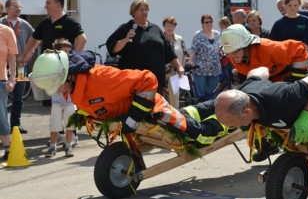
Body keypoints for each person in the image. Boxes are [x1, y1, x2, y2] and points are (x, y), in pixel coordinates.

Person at [29, 50, 233, 148]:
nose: (57, 92)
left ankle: (230, 121)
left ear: (67, 76)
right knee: (190, 116)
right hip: (145, 116)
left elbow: (147, 80)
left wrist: (133, 118)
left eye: (57, 87)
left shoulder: (102, 79)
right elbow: (95, 104)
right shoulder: (75, 87)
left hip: (156, 113)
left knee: (199, 138)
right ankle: (214, 107)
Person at [215, 67, 308, 155]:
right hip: (301, 108)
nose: (231, 127)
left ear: (247, 112)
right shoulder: (244, 92)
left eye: (232, 124)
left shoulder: (283, 99)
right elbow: (260, 70)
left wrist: (306, 116)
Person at [17, 0, 87, 108]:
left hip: (62, 70)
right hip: (49, 69)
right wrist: (24, 56)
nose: (45, 6)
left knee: (67, 102)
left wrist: (73, 59)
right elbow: (33, 39)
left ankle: (67, 125)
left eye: (48, 3)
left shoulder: (69, 21)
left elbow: (82, 39)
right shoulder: (45, 22)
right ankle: (56, 126)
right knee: (51, 103)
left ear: (58, 5)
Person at [106, 0, 184, 95]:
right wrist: (125, 39)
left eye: (146, 10)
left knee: (156, 109)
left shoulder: (155, 29)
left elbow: (169, 51)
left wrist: (179, 67)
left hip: (156, 81)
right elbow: (112, 48)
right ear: (133, 12)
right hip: (134, 82)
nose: (144, 12)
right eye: (141, 10)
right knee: (136, 109)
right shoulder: (125, 28)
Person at [221, 24, 308, 83]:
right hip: (270, 82)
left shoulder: (266, 48)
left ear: (246, 46)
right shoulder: (232, 53)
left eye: (236, 50)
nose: (233, 55)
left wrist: (298, 81)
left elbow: (299, 49)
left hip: (288, 76)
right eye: (230, 52)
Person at [0, 0, 34, 134]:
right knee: (2, 98)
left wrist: (30, 51)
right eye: (15, 7)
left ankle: (16, 125)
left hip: (19, 65)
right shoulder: (2, 23)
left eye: (20, 7)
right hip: (3, 65)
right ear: (7, 9)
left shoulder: (25, 24)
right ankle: (3, 127)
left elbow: (36, 38)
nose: (19, 9)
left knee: (18, 96)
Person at [270, 0, 308, 74]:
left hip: (302, 59)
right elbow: (272, 43)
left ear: (299, 6)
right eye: (289, 5)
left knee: (302, 84)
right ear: (285, 6)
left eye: (295, 5)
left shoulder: (306, 21)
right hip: (284, 60)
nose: (292, 8)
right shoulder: (279, 23)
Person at [45, 39, 76, 157]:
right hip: (57, 101)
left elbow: (76, 81)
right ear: (57, 52)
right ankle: (52, 147)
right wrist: (58, 87)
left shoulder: (73, 65)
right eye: (64, 51)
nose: (68, 54)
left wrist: (71, 85)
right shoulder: (52, 66)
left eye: (69, 51)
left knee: (70, 124)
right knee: (55, 124)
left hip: (70, 101)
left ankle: (68, 146)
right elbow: (49, 82)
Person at [0, 0, 17, 160]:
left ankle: (6, 147)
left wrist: (12, 78)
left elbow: (12, 58)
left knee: (1, 115)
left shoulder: (6, 31)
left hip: (0, 80)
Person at [188, 14, 221, 97]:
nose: (209, 23)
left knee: (213, 93)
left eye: (211, 21)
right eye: (206, 22)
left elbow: (221, 47)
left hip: (214, 69)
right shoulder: (198, 35)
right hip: (200, 69)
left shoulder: (217, 34)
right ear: (202, 24)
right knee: (201, 93)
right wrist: (190, 61)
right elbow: (193, 49)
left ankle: (211, 109)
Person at [163, 16, 188, 109]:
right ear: (164, 26)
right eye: (168, 26)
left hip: (175, 71)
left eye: (172, 26)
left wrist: (182, 68)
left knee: (174, 96)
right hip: (162, 71)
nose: (170, 28)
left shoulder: (180, 39)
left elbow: (184, 55)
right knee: (160, 94)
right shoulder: (160, 38)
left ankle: (175, 114)